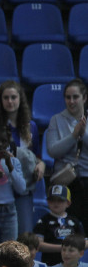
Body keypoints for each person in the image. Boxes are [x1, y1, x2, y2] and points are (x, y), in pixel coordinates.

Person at [0, 81, 45, 234]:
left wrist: (41, 165)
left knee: (24, 235)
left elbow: (36, 157)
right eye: (6, 98)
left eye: (13, 97)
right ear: (0, 100)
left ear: (20, 99)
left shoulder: (31, 127)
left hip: (23, 189)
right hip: (0, 189)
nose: (10, 101)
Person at [47, 79, 88, 227]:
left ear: (84, 98)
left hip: (86, 178)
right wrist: (73, 136)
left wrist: (83, 134)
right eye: (68, 97)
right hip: (67, 182)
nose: (71, 101)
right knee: (69, 228)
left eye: (75, 97)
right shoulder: (56, 120)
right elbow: (52, 150)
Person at [35, 184, 85, 267]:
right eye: (52, 200)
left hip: (73, 265)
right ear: (47, 202)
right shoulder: (43, 221)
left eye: (60, 200)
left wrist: (71, 249)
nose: (56, 203)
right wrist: (62, 249)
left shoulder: (74, 221)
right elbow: (38, 244)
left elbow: (84, 241)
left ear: (68, 203)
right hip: (50, 264)